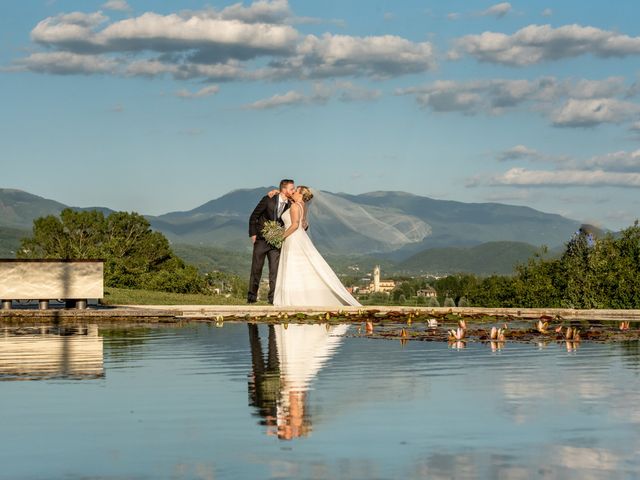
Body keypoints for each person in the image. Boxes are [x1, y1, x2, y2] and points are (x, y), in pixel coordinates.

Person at [273, 186, 361, 307]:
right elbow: (304, 224)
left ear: (300, 194)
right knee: (304, 267)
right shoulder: (302, 205)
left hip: (293, 238)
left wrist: (280, 236)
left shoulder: (294, 206)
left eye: (295, 190)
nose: (292, 192)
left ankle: (293, 299)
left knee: (293, 267)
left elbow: (294, 225)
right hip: (299, 237)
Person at [247, 179, 295, 304]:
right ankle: (251, 298)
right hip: (261, 240)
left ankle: (273, 299)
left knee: (275, 271)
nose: (293, 191)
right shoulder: (268, 199)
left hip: (276, 242)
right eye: (291, 188)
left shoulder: (291, 204)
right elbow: (254, 216)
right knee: (256, 269)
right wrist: (253, 234)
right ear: (284, 189)